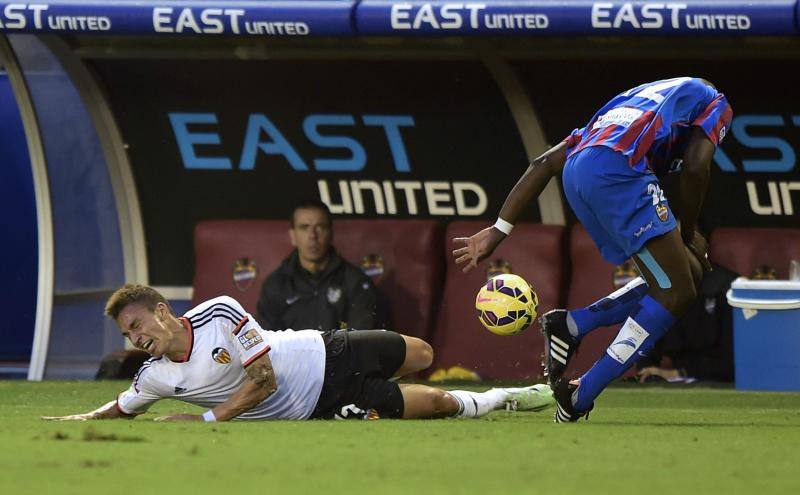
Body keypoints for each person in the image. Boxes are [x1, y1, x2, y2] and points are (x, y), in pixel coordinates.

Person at [453, 77, 732, 422]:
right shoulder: (713, 101)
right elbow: (695, 166)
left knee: (688, 274)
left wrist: (499, 229)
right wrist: (690, 231)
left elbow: (543, 164)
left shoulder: (627, 104)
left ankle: (573, 325)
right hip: (618, 176)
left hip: (580, 176)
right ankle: (581, 391)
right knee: (676, 291)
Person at [42, 284, 554, 422]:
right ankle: (507, 396)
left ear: (159, 310)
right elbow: (120, 407)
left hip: (324, 350)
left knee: (422, 352)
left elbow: (263, 379)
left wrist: (208, 420)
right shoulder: (154, 377)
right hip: (324, 404)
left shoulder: (218, 311)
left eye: (136, 326)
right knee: (438, 405)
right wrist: (75, 416)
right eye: (128, 335)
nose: (135, 339)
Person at [256, 199, 377, 331]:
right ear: (293, 236)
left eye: (320, 227)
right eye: (304, 227)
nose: (312, 236)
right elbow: (266, 343)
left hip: (343, 352)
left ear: (331, 233)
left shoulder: (355, 283)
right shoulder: (276, 285)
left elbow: (362, 341)